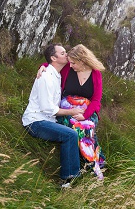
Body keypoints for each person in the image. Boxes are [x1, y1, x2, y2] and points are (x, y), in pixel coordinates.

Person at [22, 44, 86, 187]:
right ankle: (68, 179)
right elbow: (47, 108)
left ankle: (90, 164)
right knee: (70, 135)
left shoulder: (56, 74)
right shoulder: (45, 77)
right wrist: (72, 112)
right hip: (35, 122)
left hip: (48, 119)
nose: (67, 55)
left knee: (80, 127)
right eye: (63, 53)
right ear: (54, 58)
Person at [59, 44, 107, 177]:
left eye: (74, 63)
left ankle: (93, 163)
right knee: (81, 127)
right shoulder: (68, 69)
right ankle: (94, 165)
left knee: (88, 125)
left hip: (88, 109)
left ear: (82, 61)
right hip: (67, 108)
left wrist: (85, 115)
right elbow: (50, 65)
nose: (71, 65)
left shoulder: (95, 74)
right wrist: (42, 68)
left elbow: (96, 100)